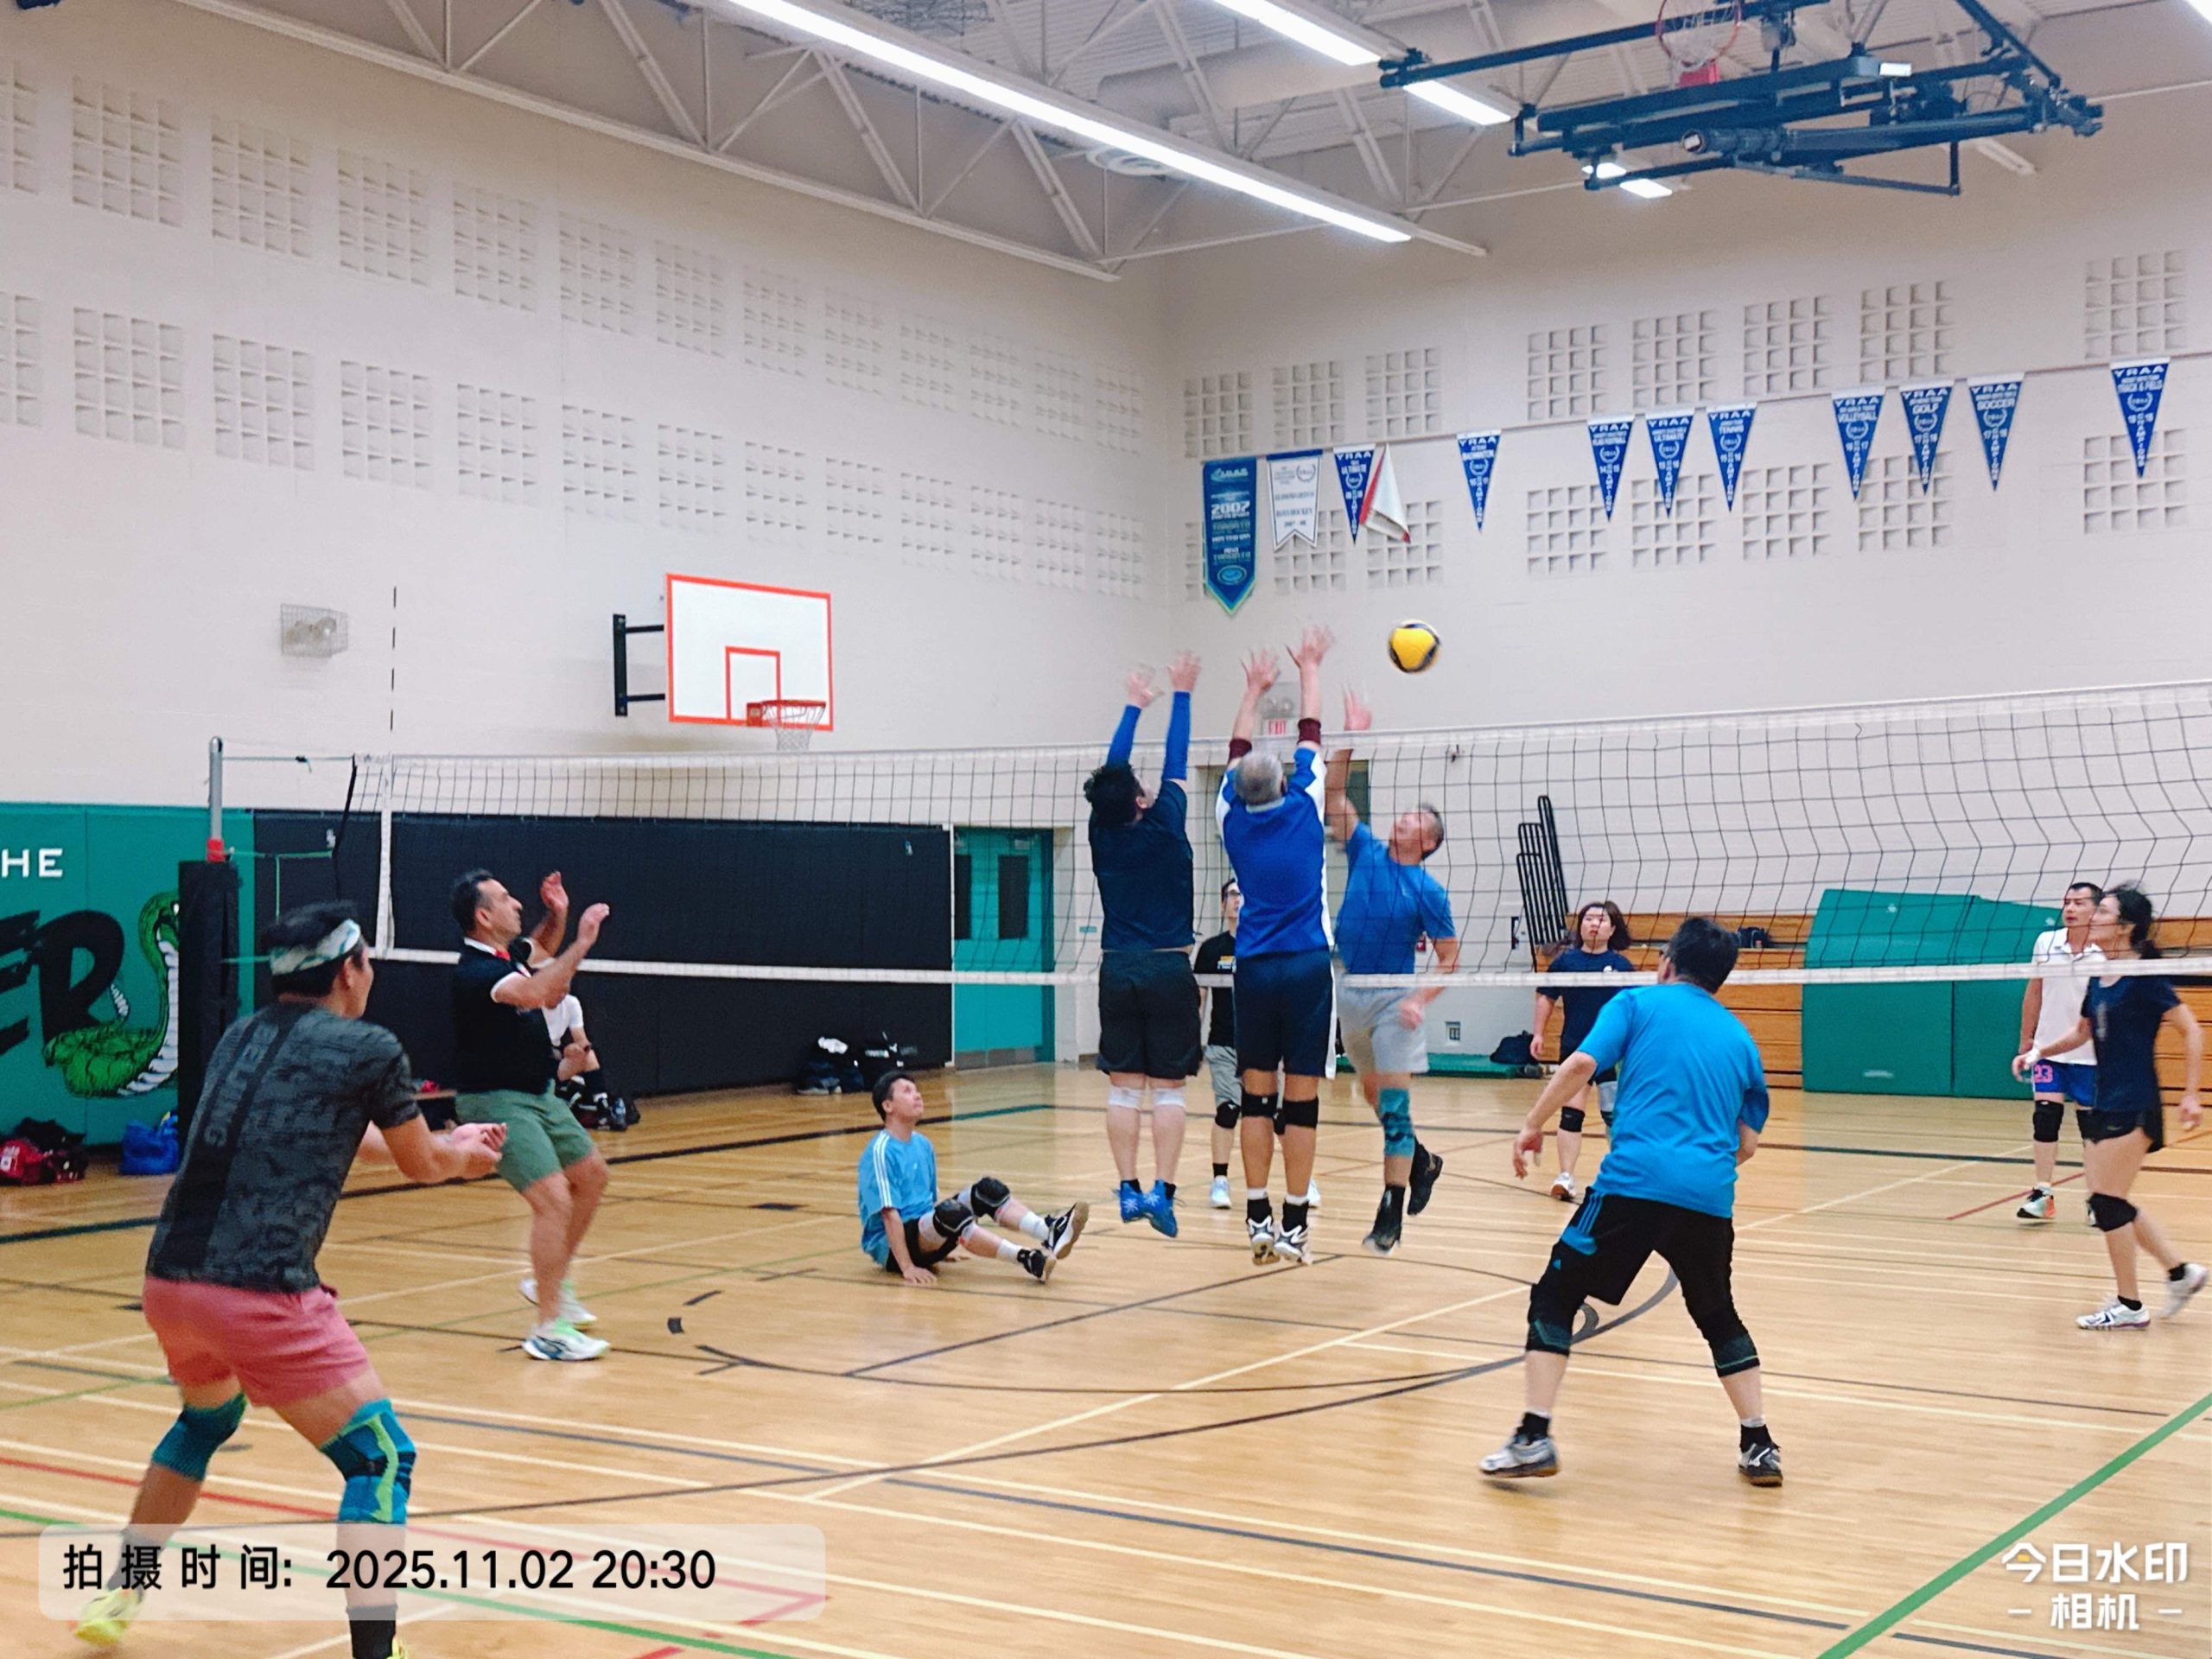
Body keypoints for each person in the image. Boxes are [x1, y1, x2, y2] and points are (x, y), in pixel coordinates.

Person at [74, 902, 505, 1657]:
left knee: (204, 1422)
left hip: (170, 1282)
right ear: (349, 970)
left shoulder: (244, 1032)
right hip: (259, 1290)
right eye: (368, 961)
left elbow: (343, 1131)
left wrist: (444, 1136)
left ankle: (121, 1595)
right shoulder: (370, 1047)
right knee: (379, 1456)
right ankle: (378, 1651)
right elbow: (421, 1165)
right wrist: (461, 1152)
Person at [1481, 918, 1780, 1487]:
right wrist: (1698, 1168)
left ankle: (1533, 1436)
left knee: (1554, 1295)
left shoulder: (1637, 1004)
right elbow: (1747, 1143)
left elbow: (1580, 1065)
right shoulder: (1741, 1039)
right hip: (1709, 1197)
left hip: (1632, 1184)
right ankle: (1758, 1441)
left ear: (1667, 962)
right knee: (1716, 1312)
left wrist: (1531, 1125)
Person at [2013, 886, 2205, 1329]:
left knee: (2107, 1201)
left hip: (2136, 1103)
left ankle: (2130, 1305)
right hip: (2105, 1097)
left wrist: (2192, 1094)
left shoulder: (2144, 976)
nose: (2092, 917)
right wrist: (2039, 1052)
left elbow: (2192, 1031)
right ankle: (2180, 1272)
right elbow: (2082, 1032)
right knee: (2109, 1201)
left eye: (2102, 911)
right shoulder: (2101, 975)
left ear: (2125, 927)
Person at [450, 868, 614, 1361]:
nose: (516, 904)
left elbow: (539, 947)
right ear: (483, 916)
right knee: (554, 1201)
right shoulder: (476, 974)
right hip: (496, 1102)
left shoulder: (505, 957)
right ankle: (547, 1328)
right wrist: (582, 942)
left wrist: (557, 914)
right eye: (505, 899)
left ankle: (551, 1281)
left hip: (540, 1095)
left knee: (592, 1176)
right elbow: (541, 991)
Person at [1324, 688, 1458, 1255]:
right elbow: (1333, 792)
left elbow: (1449, 957)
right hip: (1349, 989)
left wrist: (1419, 999)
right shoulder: (1366, 851)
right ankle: (1423, 1161)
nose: (1401, 819)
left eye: (1413, 819)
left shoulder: (1429, 890)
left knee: (1396, 1108)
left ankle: (1390, 1214)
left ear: (1425, 841)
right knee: (1375, 1099)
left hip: (1394, 997)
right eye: (1402, 813)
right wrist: (1351, 735)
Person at [1218, 625, 1334, 1266]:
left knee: (1256, 1094)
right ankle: (1294, 1221)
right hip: (1308, 967)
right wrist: (1309, 666)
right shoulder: (1307, 808)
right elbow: (1311, 731)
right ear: (1286, 786)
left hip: (1255, 968)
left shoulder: (1230, 819)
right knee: (1302, 1099)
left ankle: (1256, 1211)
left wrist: (1252, 689)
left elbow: (1238, 749)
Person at [1086, 653, 1203, 1236]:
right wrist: (1181, 695)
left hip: (1116, 969)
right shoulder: (1166, 821)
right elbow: (1177, 760)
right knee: (1170, 1090)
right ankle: (1164, 1190)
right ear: (1139, 800)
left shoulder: (1101, 831)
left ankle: (1128, 1190)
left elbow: (1111, 774)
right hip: (1166, 968)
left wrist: (1134, 704)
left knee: (1125, 1088)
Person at [861, 1071, 1086, 1284]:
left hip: (923, 1235)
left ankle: (1049, 1231)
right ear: (887, 1105)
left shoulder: (922, 1144)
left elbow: (928, 1205)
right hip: (892, 1248)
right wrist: (908, 1266)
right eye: (907, 1091)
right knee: (951, 1213)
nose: (917, 1095)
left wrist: (939, 1246)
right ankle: (1025, 1258)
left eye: (916, 1090)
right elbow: (890, 1215)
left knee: (987, 1191)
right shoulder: (880, 1151)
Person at [1534, 901, 1636, 1203]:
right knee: (1571, 1114)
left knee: (1614, 1117)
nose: (1594, 924)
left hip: (1611, 1051)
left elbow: (1635, 1008)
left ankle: (1622, 1176)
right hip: (1575, 1049)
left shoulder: (1621, 967)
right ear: (1580, 926)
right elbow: (1546, 997)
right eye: (1588, 918)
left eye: (1601, 920)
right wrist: (1538, 1033)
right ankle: (1565, 1177)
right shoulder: (1565, 963)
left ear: (1612, 929)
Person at [2014, 880, 2103, 1222]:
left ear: (2095, 910)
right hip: (2047, 1051)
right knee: (2045, 1118)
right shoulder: (2046, 942)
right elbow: (2034, 990)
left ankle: (2097, 1197)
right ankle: (2043, 1193)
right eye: (2066, 902)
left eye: (2079, 903)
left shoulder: (2106, 951)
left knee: (2091, 1127)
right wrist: (2027, 1040)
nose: (2070, 908)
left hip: (2090, 1055)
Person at [1193, 879, 1243, 1211]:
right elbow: (1199, 1000)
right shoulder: (1211, 949)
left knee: (1281, 1115)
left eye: (1244, 895)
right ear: (1223, 904)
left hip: (1265, 1045)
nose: (1238, 901)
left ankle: (1303, 1181)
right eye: (1233, 895)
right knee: (1228, 1110)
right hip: (1223, 1044)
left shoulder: (1266, 944)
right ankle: (1220, 1181)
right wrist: (1190, 1043)